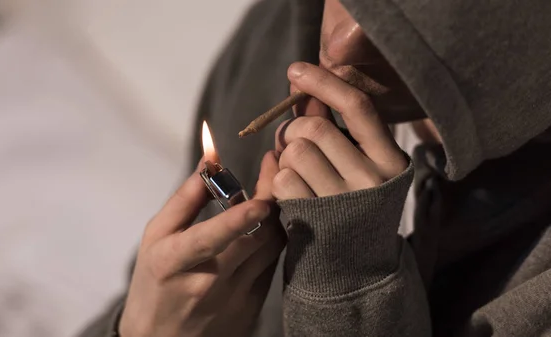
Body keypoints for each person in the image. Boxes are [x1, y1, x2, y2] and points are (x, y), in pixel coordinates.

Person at [80, 0, 551, 336]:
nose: (340, 45)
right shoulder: (284, 29)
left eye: (405, 24)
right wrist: (142, 329)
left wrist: (349, 286)